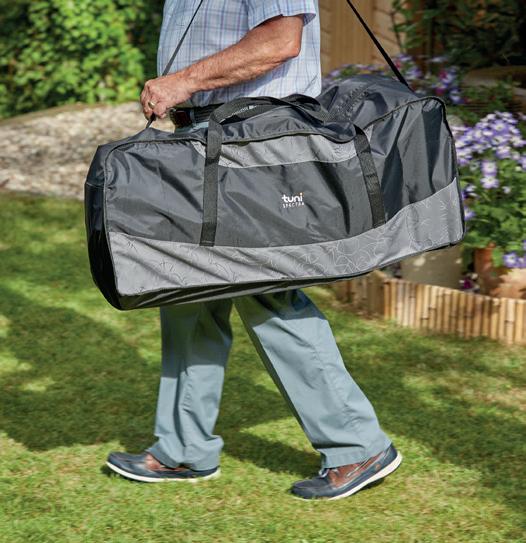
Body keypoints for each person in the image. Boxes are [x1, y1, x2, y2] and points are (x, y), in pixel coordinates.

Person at [106, 0, 402, 501]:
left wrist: (183, 82)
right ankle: (183, 448)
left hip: (254, 142)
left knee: (267, 291)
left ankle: (358, 445)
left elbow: (280, 41)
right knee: (186, 284)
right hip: (206, 137)